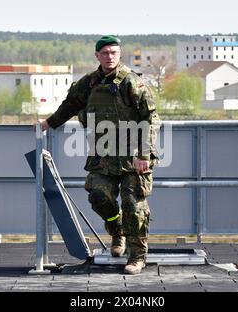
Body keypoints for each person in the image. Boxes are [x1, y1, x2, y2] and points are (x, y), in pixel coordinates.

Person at [37, 35, 160, 274]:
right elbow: (70, 105)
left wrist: (144, 153)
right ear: (97, 56)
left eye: (114, 52)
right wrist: (49, 123)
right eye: (105, 53)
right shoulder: (89, 83)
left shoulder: (132, 82)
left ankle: (137, 257)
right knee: (97, 196)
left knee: (133, 206)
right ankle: (118, 232)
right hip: (103, 155)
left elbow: (151, 118)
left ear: (119, 54)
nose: (110, 57)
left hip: (134, 156)